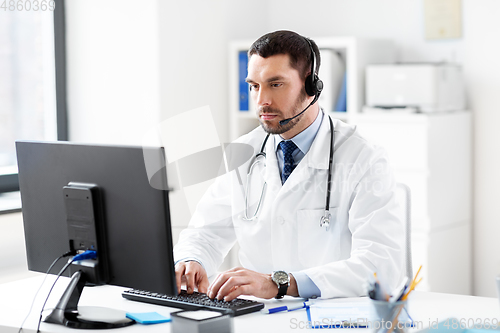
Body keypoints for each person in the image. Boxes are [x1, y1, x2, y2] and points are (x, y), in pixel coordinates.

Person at [174, 30, 403, 302]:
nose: (261, 102)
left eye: (275, 84)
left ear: (311, 87)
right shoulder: (244, 153)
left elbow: (381, 265)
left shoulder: (363, 157)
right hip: (258, 317)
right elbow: (205, 232)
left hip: (332, 317)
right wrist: (192, 260)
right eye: (254, 86)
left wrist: (281, 283)